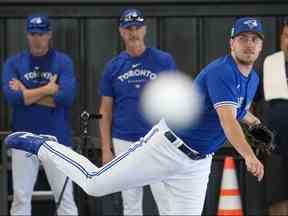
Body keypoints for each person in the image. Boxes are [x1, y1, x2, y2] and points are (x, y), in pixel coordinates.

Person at [5, 17, 265, 215]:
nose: (249, 44)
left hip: (196, 164)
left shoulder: (252, 78)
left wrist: (255, 124)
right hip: (166, 147)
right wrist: (249, 155)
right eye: (243, 38)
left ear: (261, 45)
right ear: (231, 42)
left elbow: (238, 111)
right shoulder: (223, 71)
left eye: (255, 39)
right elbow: (227, 119)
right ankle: (42, 145)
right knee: (94, 183)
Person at [99, 8, 177, 215]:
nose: (133, 32)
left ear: (144, 29)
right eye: (128, 28)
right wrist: (106, 148)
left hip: (157, 138)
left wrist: (173, 139)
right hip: (124, 139)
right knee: (130, 201)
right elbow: (105, 110)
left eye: (137, 27)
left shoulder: (163, 61)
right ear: (121, 32)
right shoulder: (113, 67)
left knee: (165, 198)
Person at [1, 14, 78, 215]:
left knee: (65, 197)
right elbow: (13, 99)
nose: (37, 38)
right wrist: (49, 89)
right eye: (33, 34)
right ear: (27, 35)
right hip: (23, 138)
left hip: (57, 137)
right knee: (21, 197)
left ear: (49, 35)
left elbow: (66, 98)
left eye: (41, 34)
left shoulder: (63, 62)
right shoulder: (14, 63)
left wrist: (26, 92)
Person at [255, 19, 288, 215]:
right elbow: (250, 100)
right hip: (276, 147)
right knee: (277, 199)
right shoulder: (269, 64)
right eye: (286, 36)